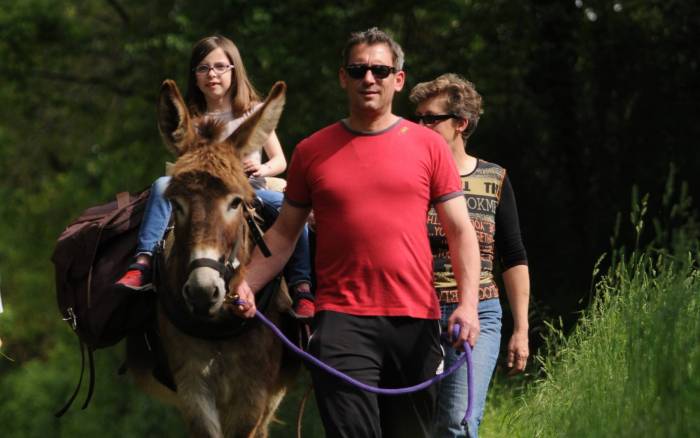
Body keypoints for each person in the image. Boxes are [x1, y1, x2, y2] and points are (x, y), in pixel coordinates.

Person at [233, 28, 482, 438]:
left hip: (416, 321)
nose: (370, 78)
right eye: (358, 69)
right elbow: (283, 235)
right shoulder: (312, 151)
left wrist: (468, 305)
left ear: (397, 80)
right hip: (341, 323)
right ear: (343, 77)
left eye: (380, 70)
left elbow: (460, 232)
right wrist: (246, 283)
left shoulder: (429, 146)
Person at [114, 35, 314, 317]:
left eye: (221, 67)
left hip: (248, 189)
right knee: (161, 185)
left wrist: (262, 169)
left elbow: (280, 160)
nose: (212, 75)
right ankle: (144, 260)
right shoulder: (192, 119)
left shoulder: (252, 112)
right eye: (203, 68)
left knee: (291, 211)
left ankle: (301, 285)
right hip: (201, 193)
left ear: (235, 70)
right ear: (194, 76)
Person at [410, 73, 531, 438]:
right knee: (414, 424)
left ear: (460, 123)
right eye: (417, 118)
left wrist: (522, 330)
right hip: (415, 313)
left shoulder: (494, 178)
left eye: (431, 118)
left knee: (457, 422)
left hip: (478, 311)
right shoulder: (408, 178)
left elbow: (513, 256)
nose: (420, 125)